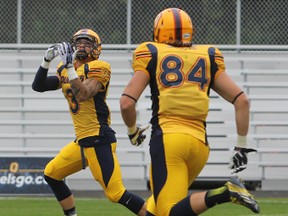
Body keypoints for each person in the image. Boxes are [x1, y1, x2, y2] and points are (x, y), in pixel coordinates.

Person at [120, 8, 260, 216]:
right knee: (155, 210)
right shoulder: (208, 56)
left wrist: (132, 131)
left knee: (168, 213)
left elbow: (126, 103)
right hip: (199, 146)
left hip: (169, 141)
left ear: (159, 31)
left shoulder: (151, 53)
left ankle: (225, 192)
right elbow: (242, 101)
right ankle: (225, 191)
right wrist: (241, 147)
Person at [32, 28, 147, 216]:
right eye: (79, 42)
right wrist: (46, 60)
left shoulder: (100, 67)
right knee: (51, 174)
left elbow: (83, 94)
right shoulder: (64, 67)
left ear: (96, 48)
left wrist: (70, 68)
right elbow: (38, 86)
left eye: (87, 43)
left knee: (116, 193)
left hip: (98, 137)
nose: (82, 46)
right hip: (82, 141)